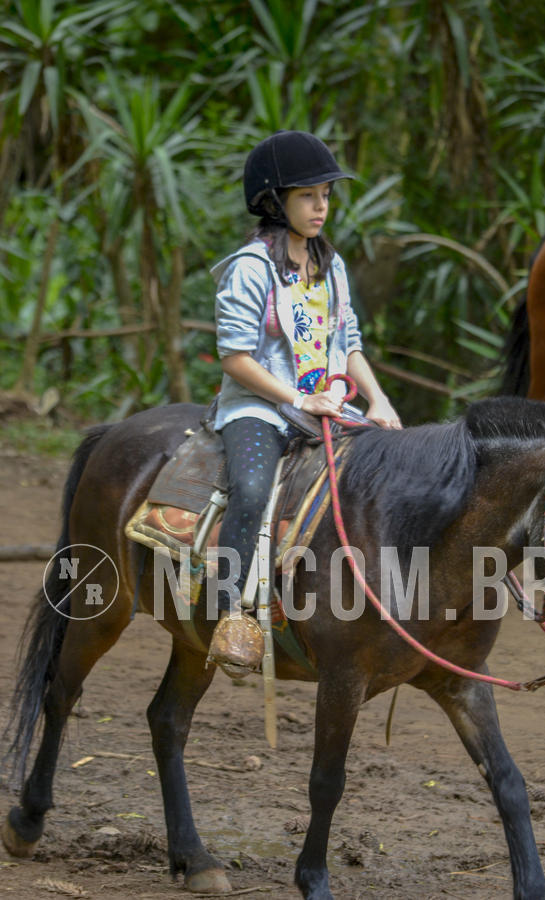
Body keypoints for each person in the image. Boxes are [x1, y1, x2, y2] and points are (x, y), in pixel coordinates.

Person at [207, 130, 402, 677]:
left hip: (329, 404)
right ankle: (230, 613)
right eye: (308, 196)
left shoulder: (330, 264)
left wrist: (380, 401)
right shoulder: (250, 268)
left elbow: (350, 344)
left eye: (326, 195)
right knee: (248, 490)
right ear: (275, 202)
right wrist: (299, 397)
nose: (322, 207)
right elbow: (235, 358)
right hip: (262, 409)